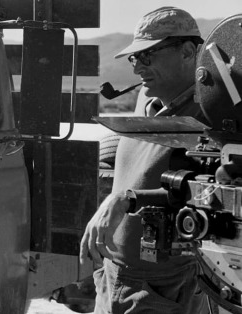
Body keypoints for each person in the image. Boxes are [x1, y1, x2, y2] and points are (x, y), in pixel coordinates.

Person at [80, 7, 210, 314]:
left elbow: (210, 194)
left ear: (188, 51)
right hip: (115, 277)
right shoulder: (148, 102)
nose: (138, 67)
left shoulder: (213, 114)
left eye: (148, 55)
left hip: (165, 289)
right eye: (134, 57)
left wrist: (124, 200)